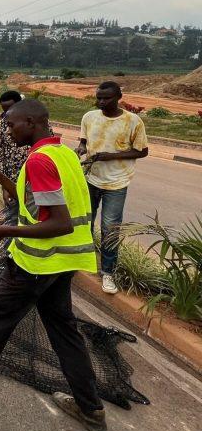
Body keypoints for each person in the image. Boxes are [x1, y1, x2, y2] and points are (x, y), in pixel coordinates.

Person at [0, 98, 107, 431]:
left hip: (36, 263)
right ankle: (91, 409)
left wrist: (4, 230)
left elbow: (58, 223)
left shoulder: (40, 162)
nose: (8, 131)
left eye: (13, 125)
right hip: (63, 264)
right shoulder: (63, 155)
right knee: (64, 331)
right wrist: (3, 178)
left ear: (32, 122)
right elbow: (37, 204)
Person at [77, 81, 148, 294]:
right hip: (90, 178)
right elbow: (83, 141)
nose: (100, 101)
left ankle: (108, 272)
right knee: (84, 223)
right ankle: (83, 261)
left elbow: (142, 151)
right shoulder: (89, 117)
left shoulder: (133, 121)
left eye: (105, 98)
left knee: (110, 229)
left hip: (117, 182)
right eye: (98, 97)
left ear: (118, 97)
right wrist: (80, 149)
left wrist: (111, 157)